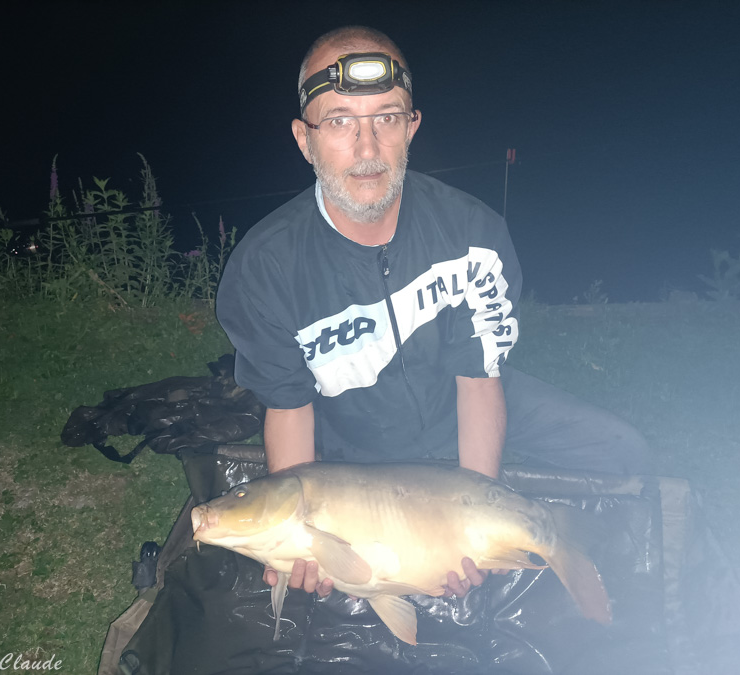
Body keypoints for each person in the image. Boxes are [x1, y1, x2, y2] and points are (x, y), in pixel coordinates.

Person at [216, 26, 653, 603]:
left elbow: (478, 381)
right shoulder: (264, 267)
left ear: (411, 127)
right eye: (340, 122)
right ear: (305, 139)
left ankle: (629, 584)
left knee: (624, 452)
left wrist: (476, 512)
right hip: (353, 433)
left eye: (387, 119)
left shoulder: (474, 235)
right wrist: (306, 539)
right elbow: (290, 410)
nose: (367, 148)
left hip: (464, 395)